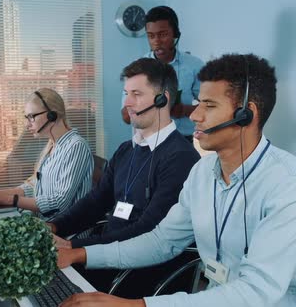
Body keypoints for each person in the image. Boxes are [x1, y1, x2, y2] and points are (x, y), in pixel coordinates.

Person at [58, 54, 296, 307]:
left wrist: (138, 305)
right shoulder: (203, 172)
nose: (195, 115)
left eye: (209, 106)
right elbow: (162, 241)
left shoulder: (291, 186)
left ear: (246, 114)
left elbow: (256, 292)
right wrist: (82, 254)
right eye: (198, 103)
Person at [50, 57, 200, 292]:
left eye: (136, 94)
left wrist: (74, 247)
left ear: (163, 100)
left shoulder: (180, 158)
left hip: (140, 274)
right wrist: (54, 227)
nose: (127, 103)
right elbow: (96, 202)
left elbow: (148, 230)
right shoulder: (126, 150)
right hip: (104, 259)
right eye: (126, 93)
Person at [0, 88, 93, 221]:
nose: (27, 125)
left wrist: (9, 199)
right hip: (42, 223)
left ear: (52, 115)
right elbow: (34, 186)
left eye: (31, 117)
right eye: (27, 118)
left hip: (64, 233)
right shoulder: (52, 146)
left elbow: (58, 203)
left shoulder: (75, 147)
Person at [121, 6, 204, 142]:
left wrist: (184, 110)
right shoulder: (137, 68)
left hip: (182, 141)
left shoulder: (194, 65)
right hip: (145, 141)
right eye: (151, 36)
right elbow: (125, 117)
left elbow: (210, 107)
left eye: (163, 34)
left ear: (175, 34)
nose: (156, 41)